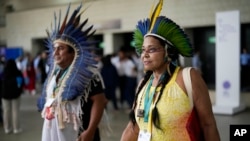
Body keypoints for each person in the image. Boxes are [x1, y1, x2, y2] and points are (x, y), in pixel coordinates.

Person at [120, 0, 220, 141]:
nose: (144, 55)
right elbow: (134, 127)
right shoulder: (143, 83)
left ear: (168, 52)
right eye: (143, 50)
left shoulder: (188, 77)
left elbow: (208, 125)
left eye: (152, 49)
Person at [37, 3, 107, 141]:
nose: (55, 52)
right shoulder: (54, 74)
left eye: (61, 48)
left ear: (72, 52)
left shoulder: (89, 74)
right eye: (54, 48)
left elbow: (99, 102)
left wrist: (90, 131)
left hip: (81, 132)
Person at [1, 59, 24, 134]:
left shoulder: (3, 74)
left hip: (5, 95)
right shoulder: (18, 73)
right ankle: (16, 128)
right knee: (15, 111)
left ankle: (7, 128)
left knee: (6, 111)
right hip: (16, 95)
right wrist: (19, 91)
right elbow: (21, 84)